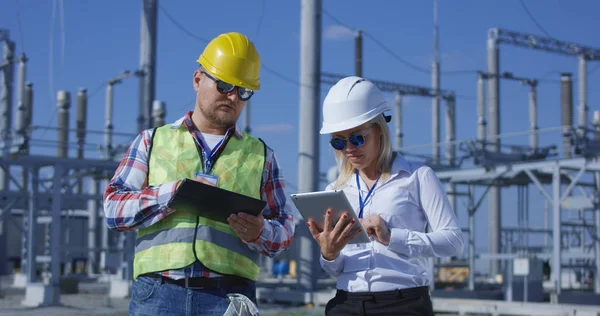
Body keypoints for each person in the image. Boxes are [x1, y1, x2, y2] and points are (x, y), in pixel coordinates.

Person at [103, 31, 296, 316]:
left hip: (230, 297)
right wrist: (171, 194)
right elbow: (113, 209)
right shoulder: (152, 141)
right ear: (197, 80)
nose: (232, 96)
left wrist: (261, 231)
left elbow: (285, 228)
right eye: (225, 85)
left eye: (243, 91)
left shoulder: (261, 156)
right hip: (159, 292)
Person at [307, 76, 464, 316]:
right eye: (339, 142)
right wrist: (329, 254)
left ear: (379, 130)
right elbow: (335, 268)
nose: (349, 148)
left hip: (404, 305)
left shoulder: (418, 177)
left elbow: (453, 241)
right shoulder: (334, 191)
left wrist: (392, 237)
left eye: (357, 138)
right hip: (346, 303)